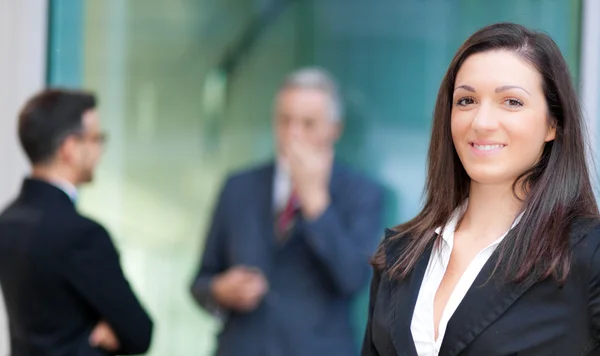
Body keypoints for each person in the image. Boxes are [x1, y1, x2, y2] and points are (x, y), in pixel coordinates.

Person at [362, 22, 600, 356]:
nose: (482, 122)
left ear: (553, 123)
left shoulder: (588, 255)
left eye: (512, 102)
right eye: (466, 100)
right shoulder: (399, 256)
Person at [190, 67, 385, 356]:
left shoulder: (362, 193)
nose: (292, 134)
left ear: (335, 129)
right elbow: (201, 281)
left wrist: (316, 203)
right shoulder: (238, 187)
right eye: (285, 121)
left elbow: (353, 279)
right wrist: (221, 290)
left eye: (307, 123)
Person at [0, 89, 153, 355]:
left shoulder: (8, 220)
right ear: (70, 148)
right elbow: (139, 333)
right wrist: (97, 335)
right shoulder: (81, 235)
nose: (100, 150)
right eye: (96, 139)